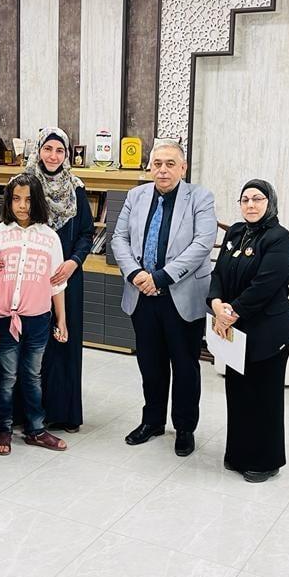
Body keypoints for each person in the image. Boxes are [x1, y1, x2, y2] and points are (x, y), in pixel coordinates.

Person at [0, 127, 94, 432]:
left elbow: (86, 233)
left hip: (63, 276)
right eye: (47, 149)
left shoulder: (76, 188)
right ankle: (20, 414)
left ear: (67, 155)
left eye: (60, 150)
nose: (53, 156)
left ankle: (62, 413)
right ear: (38, 151)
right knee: (23, 346)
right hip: (23, 279)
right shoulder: (23, 184)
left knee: (61, 343)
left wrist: (73, 262)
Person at [110, 139, 217, 457]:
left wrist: (159, 277)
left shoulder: (200, 198)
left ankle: (184, 428)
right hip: (142, 296)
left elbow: (202, 244)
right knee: (150, 364)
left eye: (170, 164)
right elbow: (119, 238)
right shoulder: (136, 196)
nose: (163, 170)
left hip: (181, 295)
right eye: (157, 164)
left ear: (183, 167)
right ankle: (152, 421)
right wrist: (136, 274)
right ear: (150, 167)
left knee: (185, 367)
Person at [208, 179, 289, 482]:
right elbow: (219, 273)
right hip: (237, 331)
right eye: (245, 199)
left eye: (257, 199)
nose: (250, 205)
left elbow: (265, 285)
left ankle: (264, 461)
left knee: (264, 397)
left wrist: (230, 313)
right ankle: (238, 455)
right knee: (238, 393)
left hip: (269, 331)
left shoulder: (279, 238)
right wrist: (217, 304)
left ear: (269, 202)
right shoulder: (236, 232)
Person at [0, 173, 70, 456]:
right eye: (17, 199)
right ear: (9, 201)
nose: (22, 206)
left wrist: (62, 319)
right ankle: (3, 429)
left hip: (38, 320)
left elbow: (57, 283)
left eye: (29, 200)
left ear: (38, 202)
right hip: (4, 318)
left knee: (32, 376)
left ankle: (36, 429)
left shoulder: (50, 238)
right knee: (7, 377)